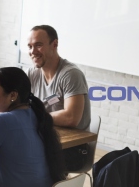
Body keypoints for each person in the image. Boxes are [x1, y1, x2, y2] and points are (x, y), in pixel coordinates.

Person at [26, 25, 92, 171]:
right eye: (30, 46)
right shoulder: (32, 73)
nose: (32, 52)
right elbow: (22, 108)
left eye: (38, 45)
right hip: (44, 139)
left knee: (20, 155)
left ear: (54, 44)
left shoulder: (71, 74)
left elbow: (71, 117)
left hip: (73, 149)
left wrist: (38, 116)